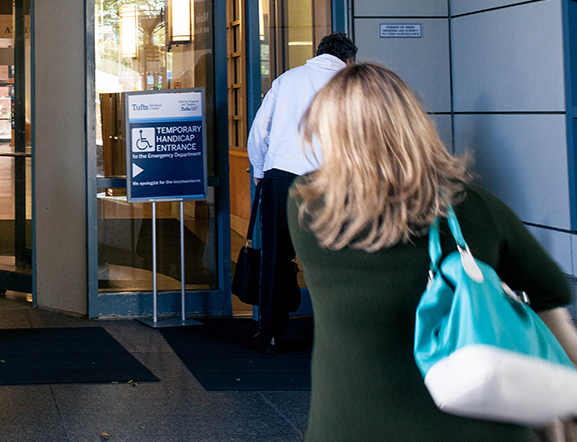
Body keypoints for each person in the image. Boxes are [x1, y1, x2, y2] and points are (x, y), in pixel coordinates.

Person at [291, 63, 577, 441]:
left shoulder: (307, 209)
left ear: (329, 131)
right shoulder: (474, 207)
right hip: (481, 428)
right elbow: (551, 290)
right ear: (413, 125)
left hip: (348, 427)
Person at [246, 31, 356, 353]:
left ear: (319, 52)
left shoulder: (287, 80)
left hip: (282, 177)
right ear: (348, 58)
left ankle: (270, 334)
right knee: (334, 255)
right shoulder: (350, 84)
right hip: (331, 179)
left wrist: (259, 170)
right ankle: (335, 334)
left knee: (275, 256)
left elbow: (260, 130)